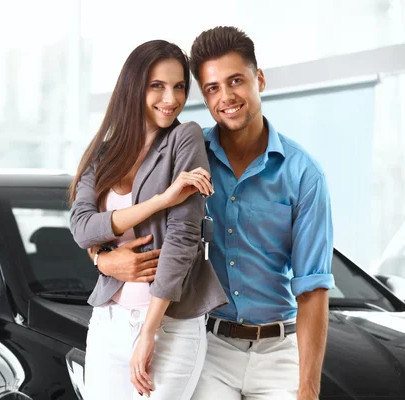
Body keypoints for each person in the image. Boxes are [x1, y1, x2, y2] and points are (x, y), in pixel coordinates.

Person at [95, 27, 335, 400]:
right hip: (209, 345)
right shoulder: (184, 156)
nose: (226, 97)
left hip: (279, 352)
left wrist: (308, 388)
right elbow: (125, 219)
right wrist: (102, 258)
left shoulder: (304, 175)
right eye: (212, 88)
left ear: (259, 79)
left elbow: (313, 288)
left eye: (236, 81)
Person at [69, 40, 228, 399]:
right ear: (134, 87)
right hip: (109, 320)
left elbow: (183, 238)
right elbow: (82, 228)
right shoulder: (104, 153)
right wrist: (160, 201)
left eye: (179, 87)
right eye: (157, 86)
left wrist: (148, 333)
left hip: (168, 325)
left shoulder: (185, 138)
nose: (170, 99)